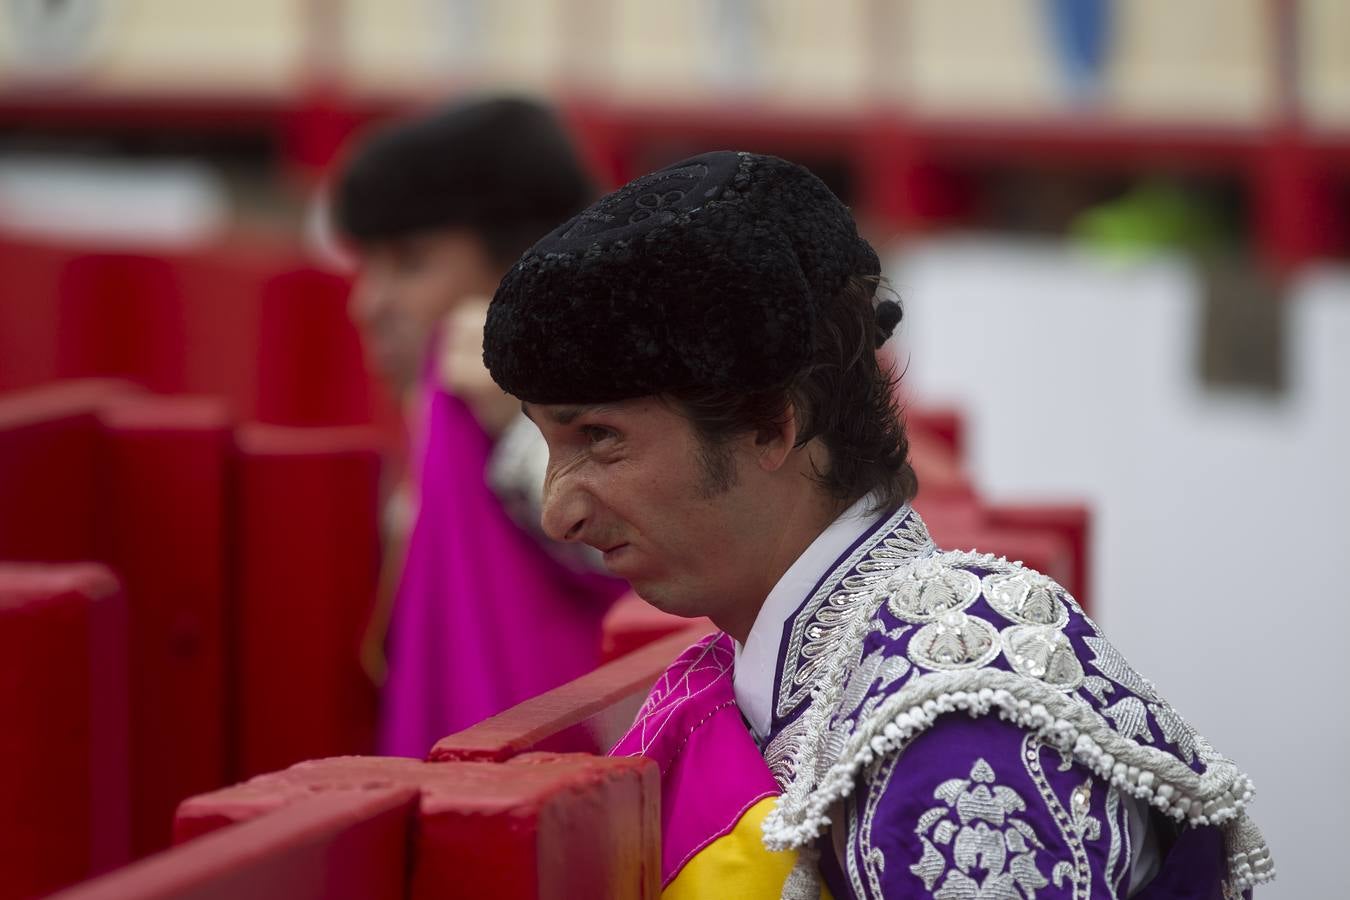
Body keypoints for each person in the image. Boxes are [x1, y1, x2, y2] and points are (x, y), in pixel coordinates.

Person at [481, 151, 1275, 897]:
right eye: (553, 444)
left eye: (599, 440)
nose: (560, 510)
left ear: (769, 425)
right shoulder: (811, 666)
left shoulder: (955, 734)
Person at [332, 96, 625, 757]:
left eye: (409, 263)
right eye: (366, 265)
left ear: (518, 264)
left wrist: (529, 426)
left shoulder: (487, 391)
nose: (367, 303)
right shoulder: (442, 407)